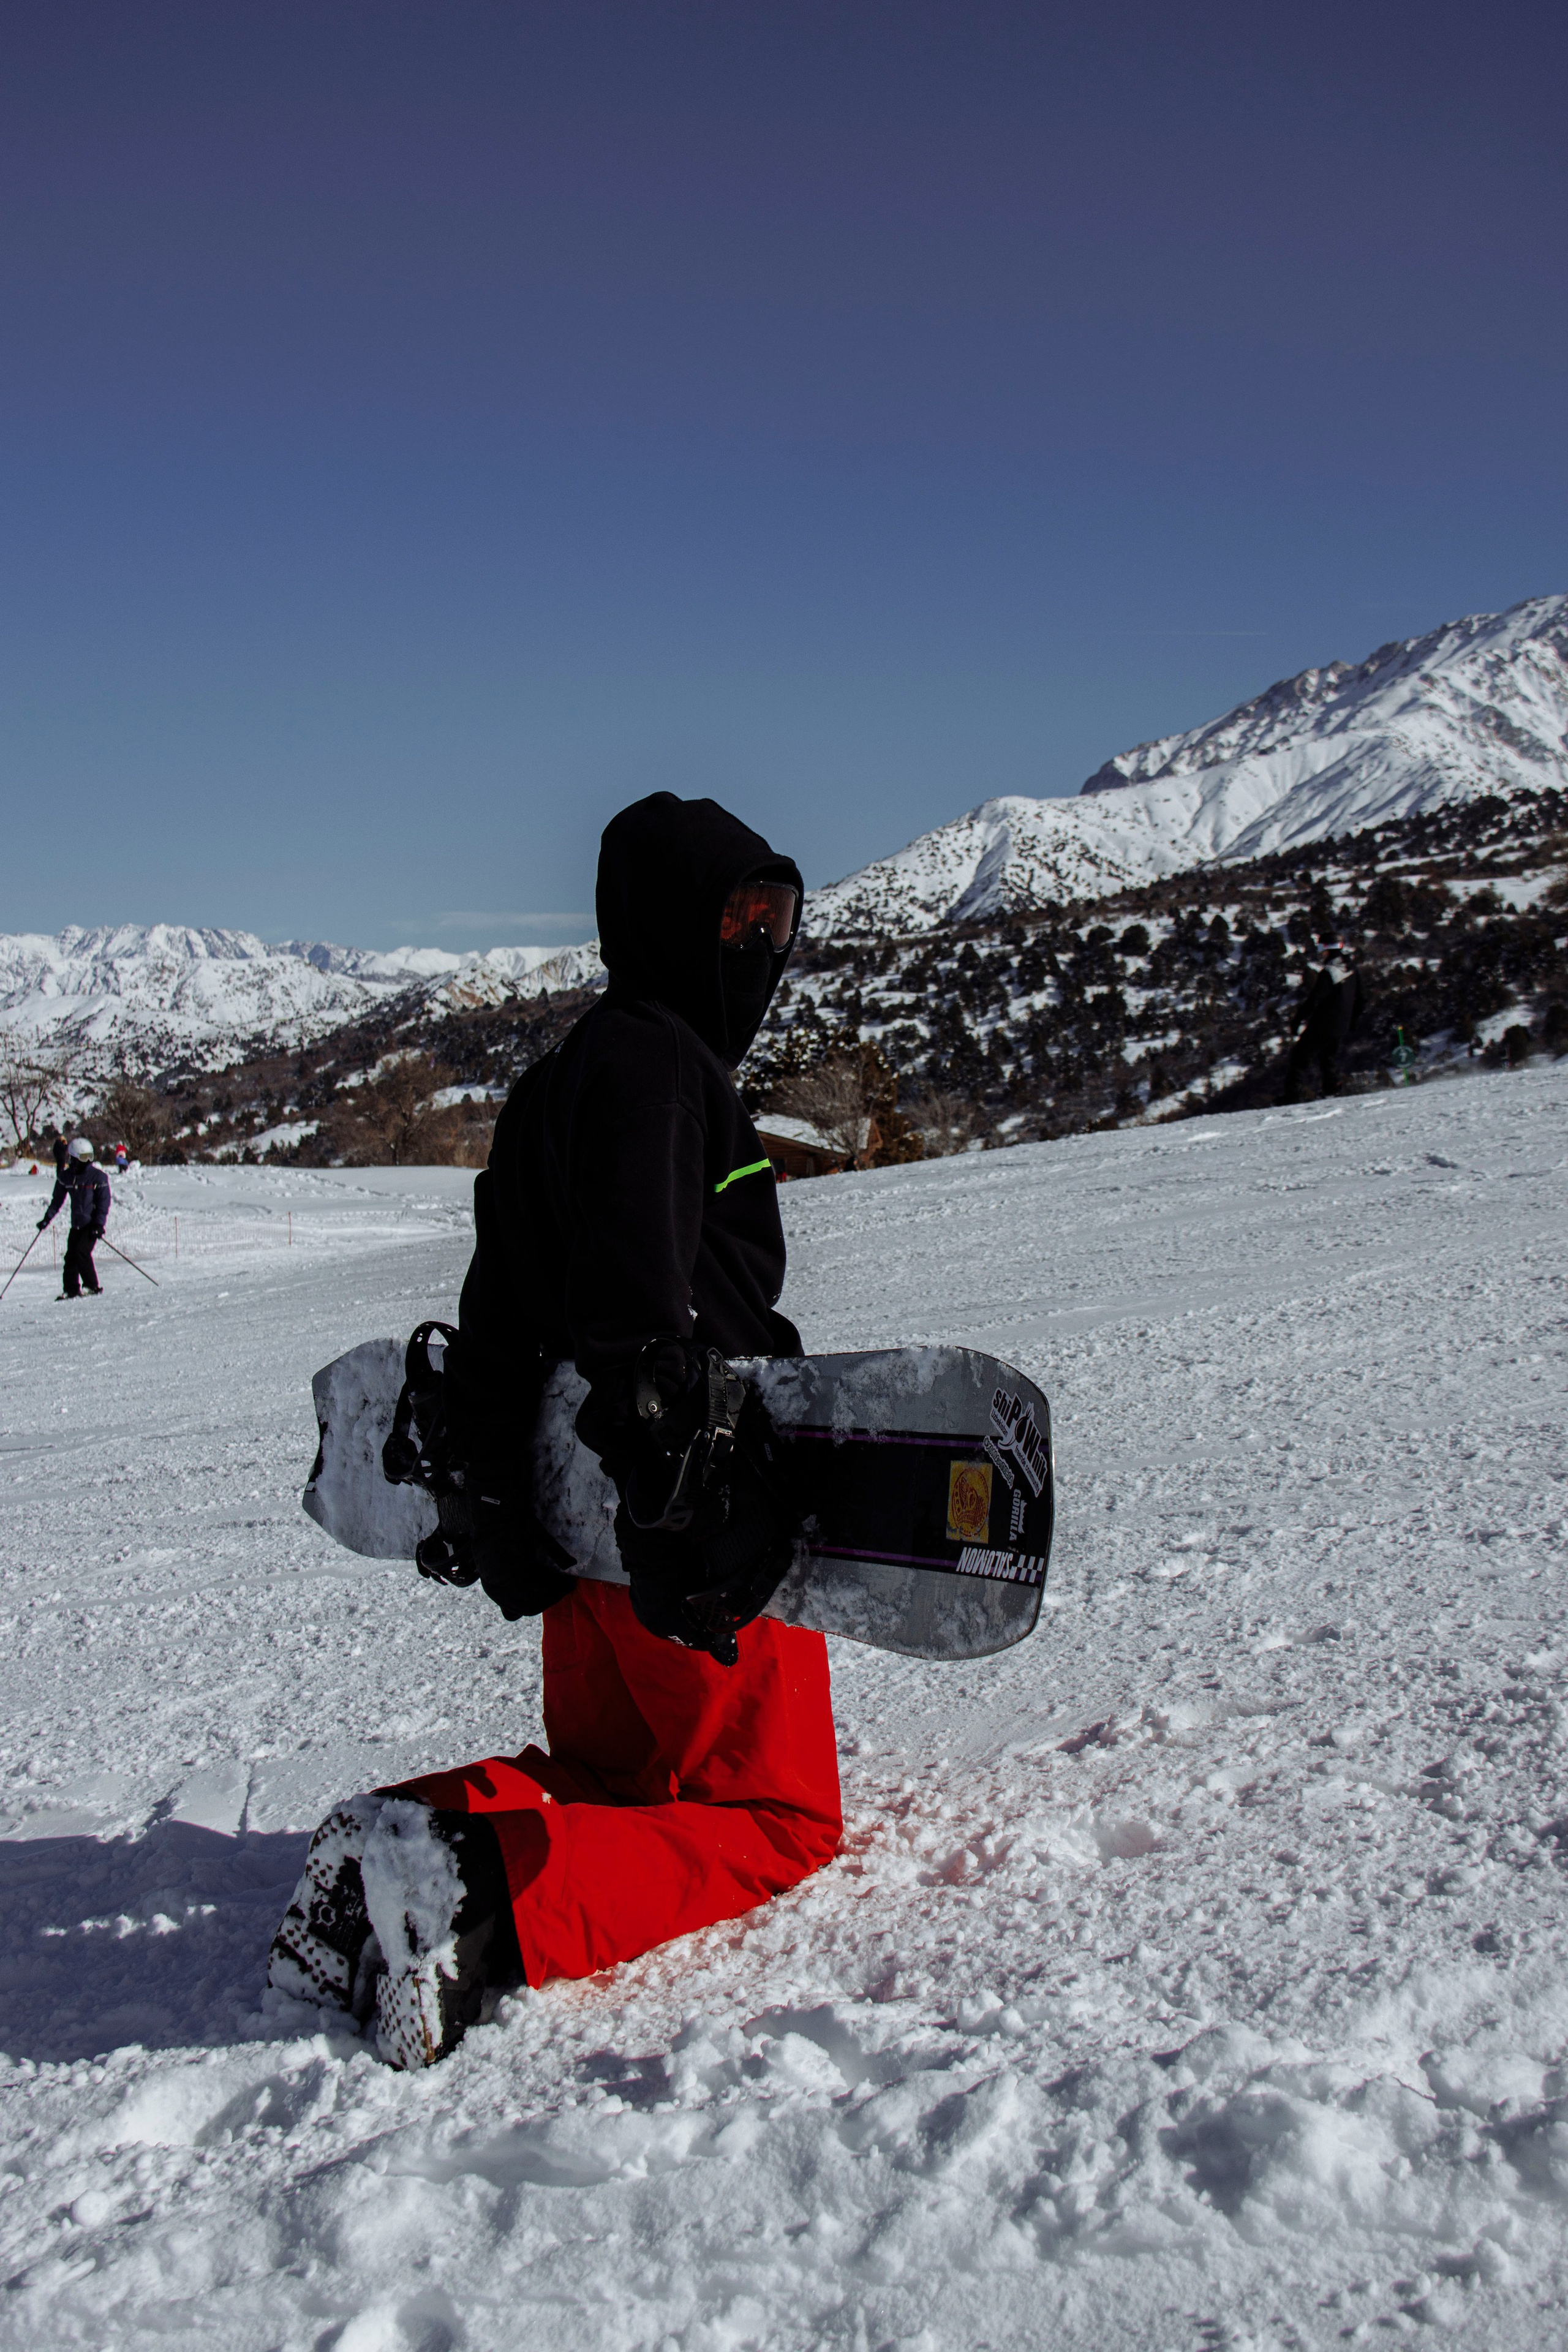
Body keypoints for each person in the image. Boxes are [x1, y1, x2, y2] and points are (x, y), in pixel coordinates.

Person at [269, 794, 842, 2068]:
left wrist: (507, 1504)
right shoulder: (658, 1069)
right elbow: (644, 1318)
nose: (760, 943)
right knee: (772, 1815)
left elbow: (497, 1323)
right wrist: (687, 1519)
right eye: (736, 914)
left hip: (585, 1526)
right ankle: (478, 1902)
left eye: (777, 915)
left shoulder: (555, 1084)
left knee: (619, 1783)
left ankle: (393, 1844)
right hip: (682, 1524)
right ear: (659, 922)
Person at [1286, 946, 1366, 1098]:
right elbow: (1363, 997)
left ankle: (1293, 1095)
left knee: (1300, 1057)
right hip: (1342, 1024)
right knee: (1328, 1057)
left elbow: (1314, 1000)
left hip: (1324, 1023)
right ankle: (1332, 1089)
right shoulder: (1351, 969)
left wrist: (1298, 1020)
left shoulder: (1330, 972)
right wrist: (1353, 1019)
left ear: (1327, 950)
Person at [38, 1134, 110, 1298]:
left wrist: (99, 1225)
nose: (88, 1161)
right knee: (70, 1256)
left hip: (91, 1225)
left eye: (89, 1157)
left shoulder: (98, 1178)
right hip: (77, 1224)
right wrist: (46, 1219)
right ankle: (71, 1290)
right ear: (74, 1158)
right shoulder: (66, 1177)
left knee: (81, 1252)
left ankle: (92, 1286)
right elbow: (57, 1201)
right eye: (84, 1158)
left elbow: (103, 1203)